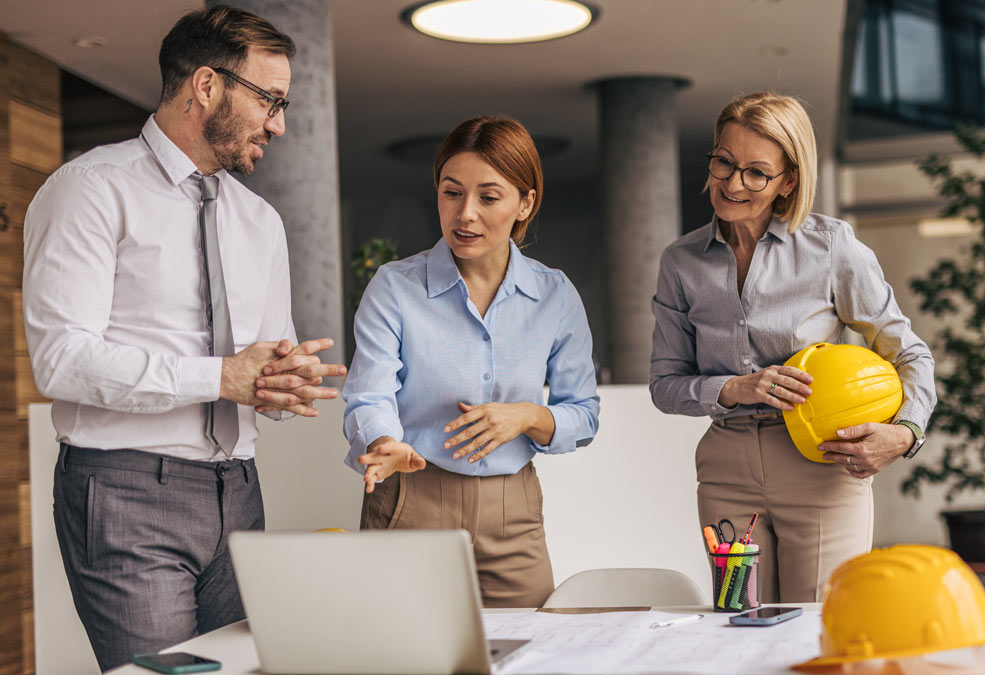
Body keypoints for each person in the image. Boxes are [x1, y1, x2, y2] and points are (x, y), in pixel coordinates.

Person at [22, 6, 345, 670]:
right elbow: (61, 359)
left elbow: (261, 361)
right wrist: (222, 376)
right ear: (206, 86)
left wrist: (280, 386)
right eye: (270, 100)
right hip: (124, 491)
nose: (279, 124)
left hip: (239, 490)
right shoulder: (89, 190)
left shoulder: (262, 221)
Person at [649, 92, 936, 602]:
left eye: (756, 172)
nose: (732, 183)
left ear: (789, 180)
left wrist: (905, 433)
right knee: (740, 624)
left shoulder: (832, 247)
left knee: (819, 628)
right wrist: (736, 388)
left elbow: (910, 353)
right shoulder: (681, 261)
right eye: (723, 162)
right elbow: (665, 385)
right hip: (726, 471)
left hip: (822, 467)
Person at [343, 115, 600, 608]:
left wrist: (527, 415)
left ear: (525, 202)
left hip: (514, 512)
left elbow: (583, 414)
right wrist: (383, 441)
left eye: (488, 196)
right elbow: (369, 393)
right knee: (402, 655)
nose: (465, 214)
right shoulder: (395, 287)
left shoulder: (555, 296)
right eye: (451, 192)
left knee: (530, 656)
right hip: (411, 497)